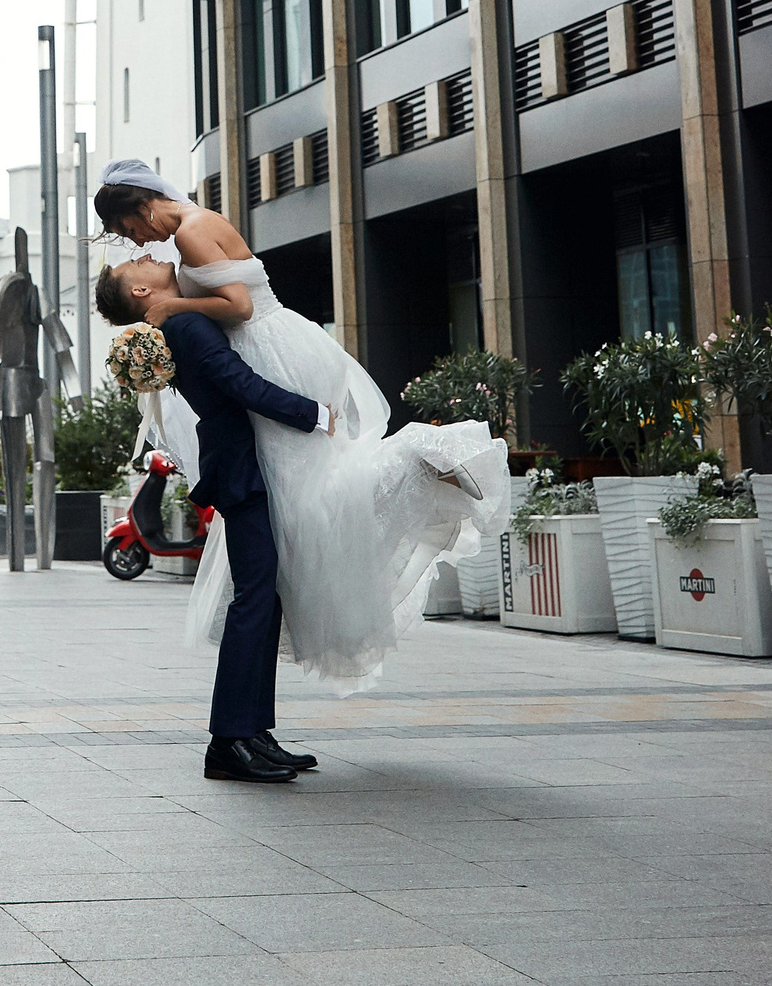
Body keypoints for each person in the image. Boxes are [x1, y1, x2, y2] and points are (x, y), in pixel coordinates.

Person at [93, 158, 511, 692]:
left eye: (132, 229)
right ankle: (412, 475)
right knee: (310, 495)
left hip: (273, 352)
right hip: (281, 348)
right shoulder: (192, 229)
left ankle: (423, 457)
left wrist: (172, 305)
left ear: (145, 205)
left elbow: (239, 307)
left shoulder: (193, 234)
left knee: (313, 495)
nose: (139, 242)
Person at [133, 292, 333, 782]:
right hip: (240, 468)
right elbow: (239, 383)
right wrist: (314, 414)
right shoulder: (186, 326)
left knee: (264, 600)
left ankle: (253, 733)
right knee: (255, 599)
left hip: (241, 464)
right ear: (138, 290)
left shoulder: (182, 318)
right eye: (134, 256)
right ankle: (228, 742)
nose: (145, 251)